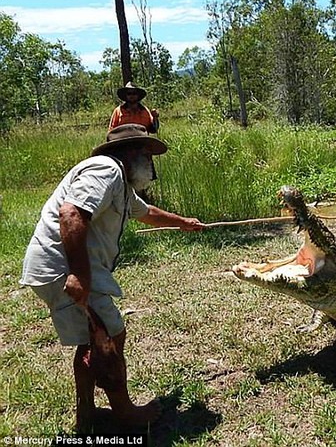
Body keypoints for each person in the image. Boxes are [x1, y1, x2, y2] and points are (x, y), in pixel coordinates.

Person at [19, 123, 205, 433]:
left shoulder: (118, 181)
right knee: (109, 336)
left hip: (61, 268)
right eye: (147, 154)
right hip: (63, 269)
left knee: (91, 339)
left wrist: (183, 222)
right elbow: (71, 214)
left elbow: (146, 212)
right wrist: (79, 273)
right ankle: (125, 414)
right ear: (131, 152)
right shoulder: (105, 170)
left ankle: (87, 416)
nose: (151, 163)